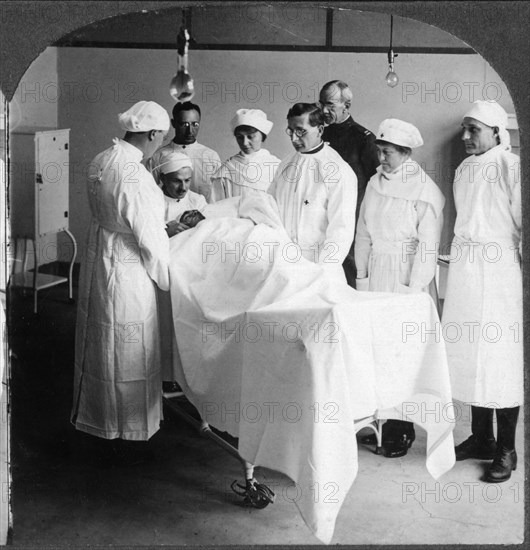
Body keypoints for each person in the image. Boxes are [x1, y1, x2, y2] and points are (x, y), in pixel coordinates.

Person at [71, 101, 171, 462]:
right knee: (129, 348)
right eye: (161, 137)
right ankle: (127, 430)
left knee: (102, 344)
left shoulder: (102, 159)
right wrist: (168, 279)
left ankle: (99, 419)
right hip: (127, 268)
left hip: (100, 258)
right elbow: (150, 237)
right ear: (152, 134)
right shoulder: (136, 175)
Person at [355, 118, 445, 458]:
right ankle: (382, 422)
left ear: (406, 153)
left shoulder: (423, 191)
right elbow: (363, 233)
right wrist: (361, 278)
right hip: (378, 271)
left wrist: (413, 290)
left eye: (388, 151)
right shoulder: (374, 185)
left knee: (402, 354)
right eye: (379, 150)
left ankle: (401, 429)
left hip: (407, 276)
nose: (381, 157)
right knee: (378, 350)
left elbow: (428, 246)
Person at [442, 100, 522, 483]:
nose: (466, 137)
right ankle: (481, 438)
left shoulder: (511, 166)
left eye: (474, 129)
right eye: (464, 129)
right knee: (470, 352)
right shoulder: (463, 168)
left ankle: (507, 448)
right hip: (467, 269)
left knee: (499, 357)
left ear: (495, 131)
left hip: (501, 269)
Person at [268, 103, 357, 281]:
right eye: (290, 130)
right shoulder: (285, 165)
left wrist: (322, 273)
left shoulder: (337, 170)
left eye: (301, 131)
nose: (294, 138)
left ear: (320, 129)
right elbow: (270, 210)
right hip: (284, 268)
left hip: (320, 270)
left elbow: (341, 230)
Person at [151, 152, 207, 397]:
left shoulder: (198, 200)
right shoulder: (153, 201)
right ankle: (166, 376)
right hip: (165, 274)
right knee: (165, 325)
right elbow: (145, 233)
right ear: (163, 178)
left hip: (193, 272)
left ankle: (192, 377)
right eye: (176, 181)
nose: (184, 187)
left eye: (187, 180)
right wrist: (165, 230)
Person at [319, 80, 380, 287]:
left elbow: (376, 185)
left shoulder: (363, 139)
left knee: (350, 269)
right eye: (322, 104)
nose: (324, 111)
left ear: (346, 106)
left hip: (351, 219)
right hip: (323, 217)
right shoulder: (320, 136)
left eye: (330, 105)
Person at [147, 101, 221, 203]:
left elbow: (219, 194)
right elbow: (150, 192)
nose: (190, 130)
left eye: (195, 124)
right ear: (173, 123)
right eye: (184, 124)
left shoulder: (211, 156)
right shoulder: (158, 156)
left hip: (205, 214)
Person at [211, 108, 280, 202]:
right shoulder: (227, 169)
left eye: (250, 137)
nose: (245, 143)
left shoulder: (276, 166)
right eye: (239, 137)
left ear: (262, 136)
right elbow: (216, 206)